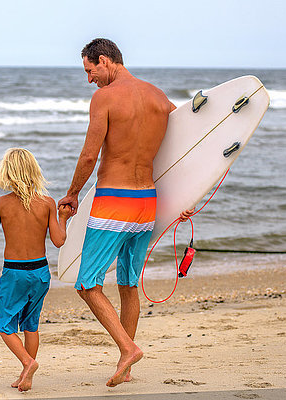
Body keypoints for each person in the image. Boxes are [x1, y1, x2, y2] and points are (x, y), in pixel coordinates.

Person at [58, 38, 195, 387]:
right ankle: (127, 363)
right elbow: (188, 148)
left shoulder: (104, 98)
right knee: (128, 283)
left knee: (88, 284)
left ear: (104, 61)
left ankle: (127, 348)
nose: (89, 80)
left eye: (90, 71)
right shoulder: (159, 98)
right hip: (146, 201)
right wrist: (189, 195)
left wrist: (72, 194)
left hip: (114, 201)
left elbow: (89, 156)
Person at [0, 148, 72, 392]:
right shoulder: (48, 203)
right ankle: (26, 375)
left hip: (15, 273)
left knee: (3, 324)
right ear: (34, 171)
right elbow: (59, 241)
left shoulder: (1, 204)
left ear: (7, 174)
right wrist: (63, 218)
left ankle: (27, 363)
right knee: (31, 325)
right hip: (41, 272)